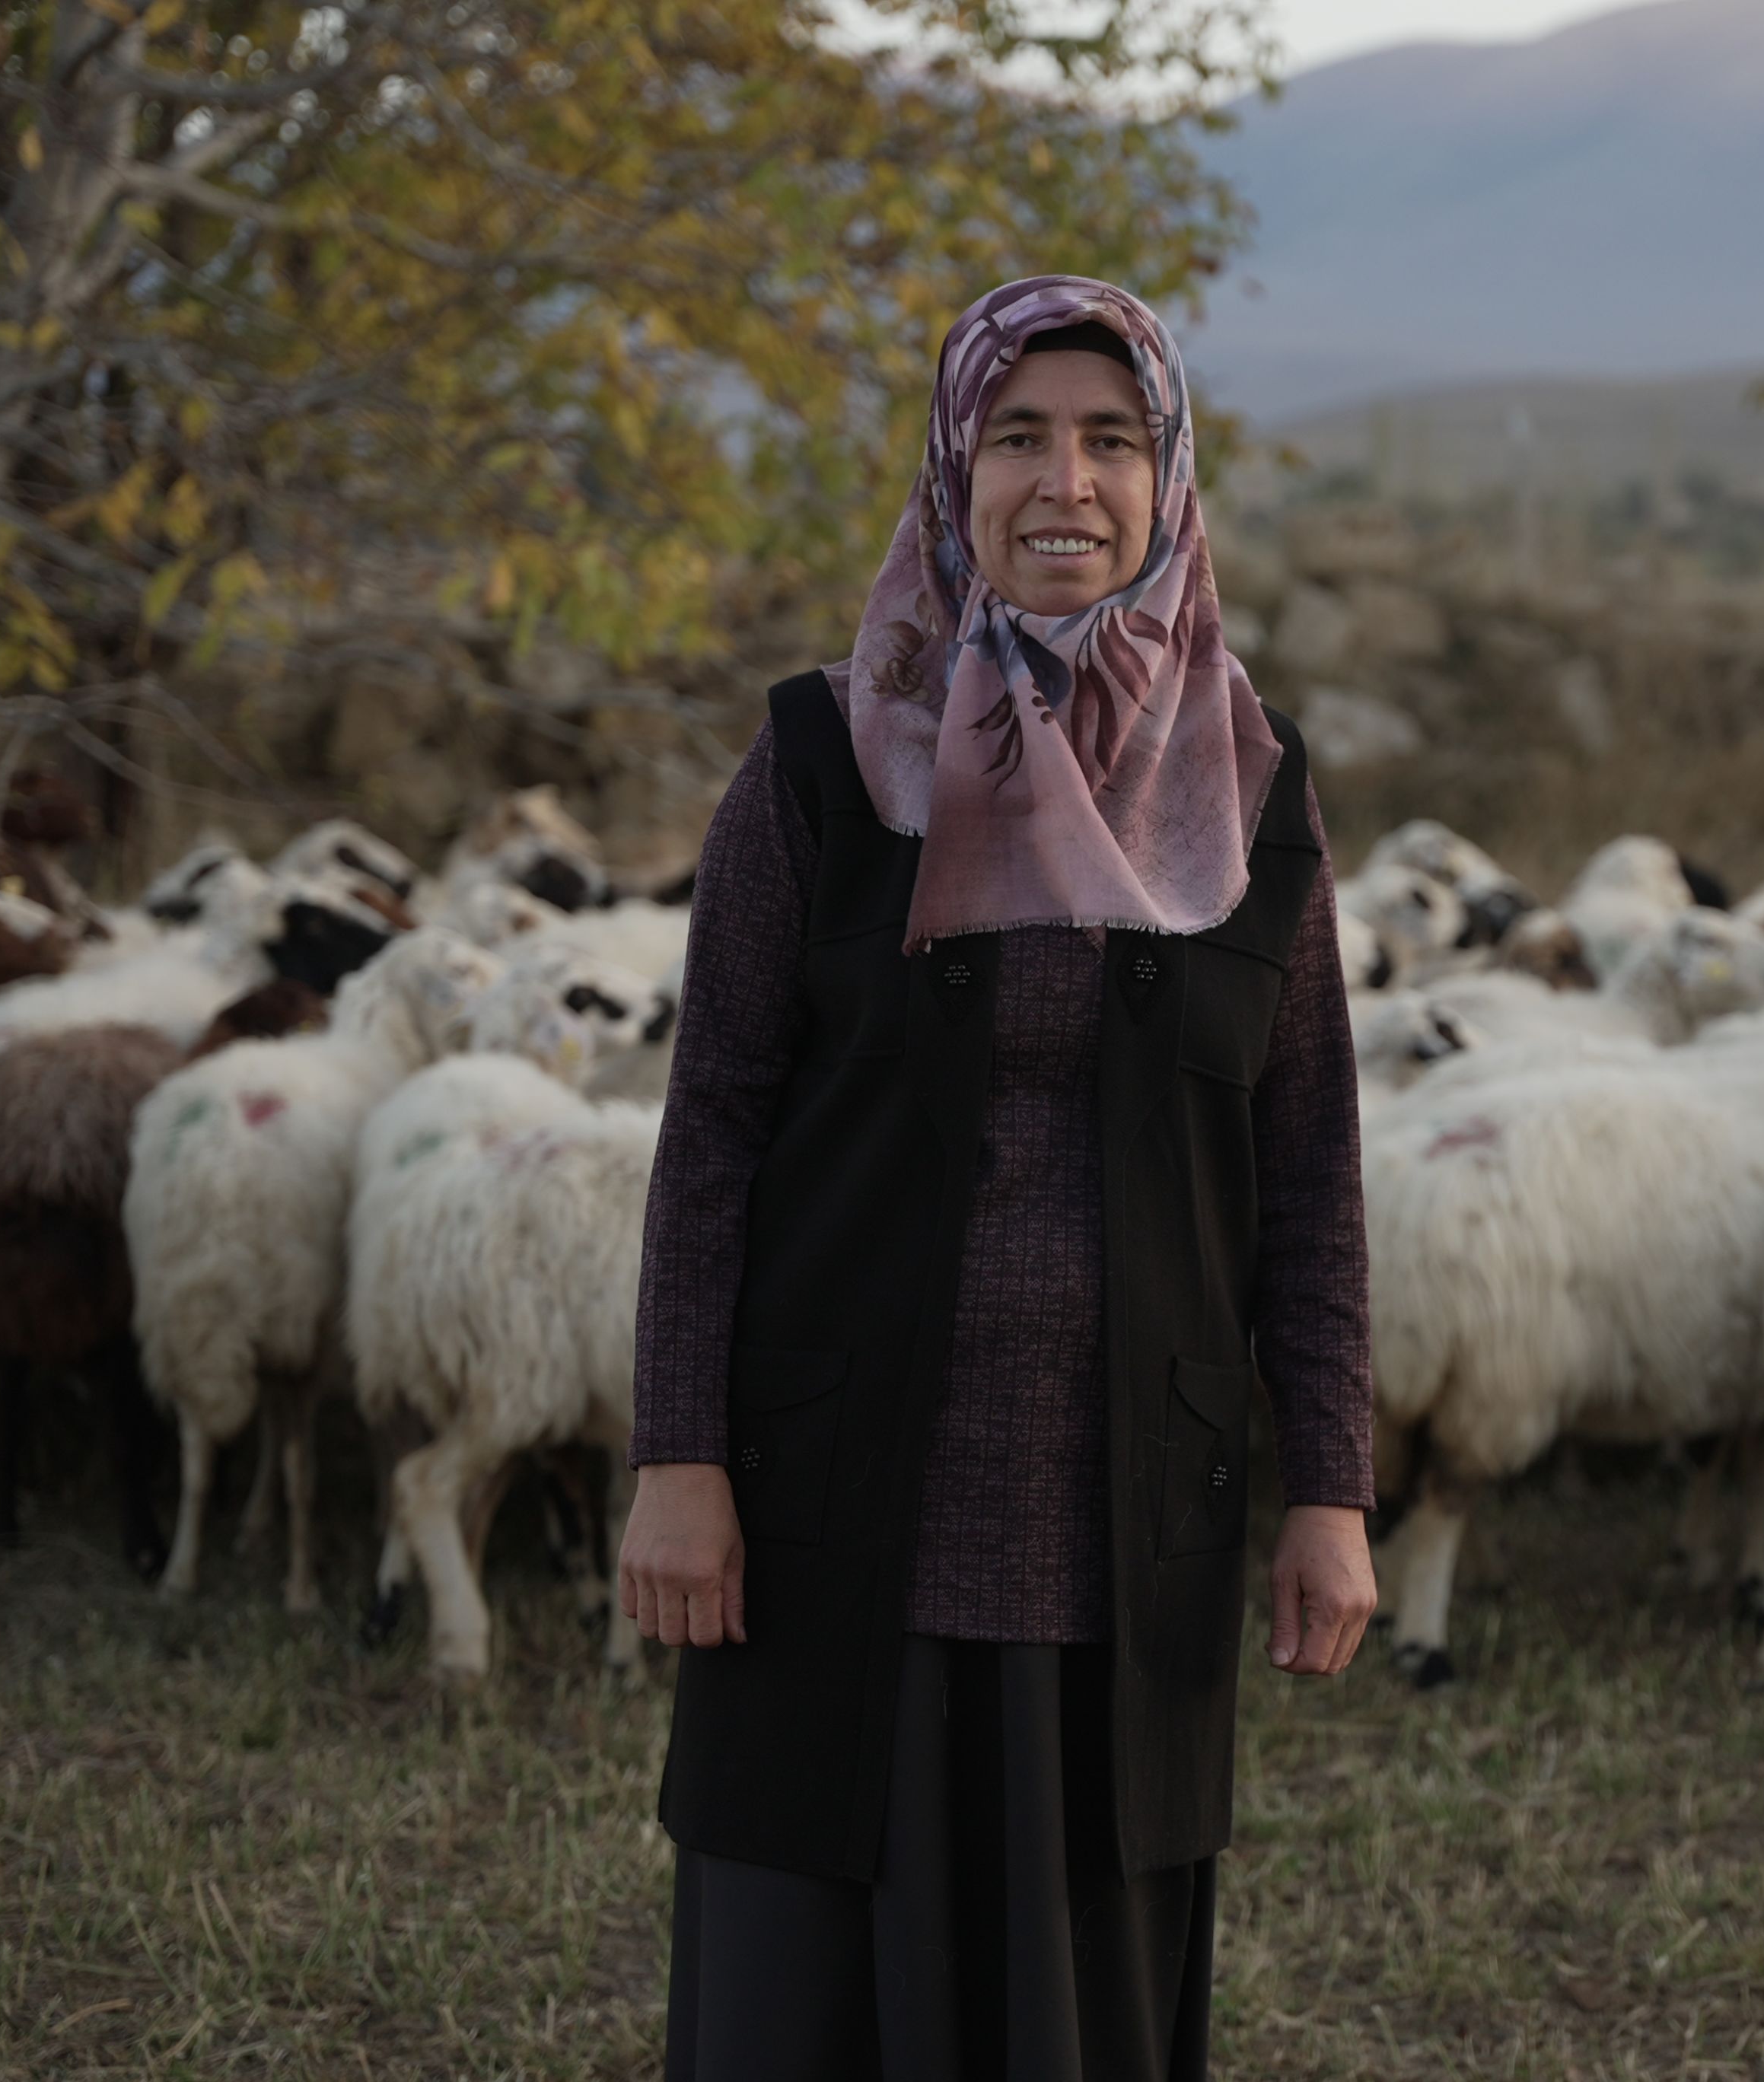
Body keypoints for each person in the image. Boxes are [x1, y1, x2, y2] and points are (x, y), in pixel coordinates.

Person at [616, 274, 1377, 2082]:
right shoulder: (822, 760)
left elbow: (1309, 1168)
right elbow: (712, 1120)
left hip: (1130, 1515)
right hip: (827, 1515)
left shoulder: (1253, 794)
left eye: (1111, 440)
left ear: (1167, 476)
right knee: (812, 1989)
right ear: (954, 470)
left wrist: (1329, 1487)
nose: (1066, 482)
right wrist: (679, 1456)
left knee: (1079, 2001)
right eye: (1019, 437)